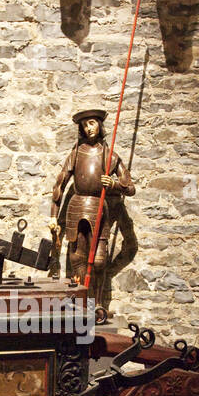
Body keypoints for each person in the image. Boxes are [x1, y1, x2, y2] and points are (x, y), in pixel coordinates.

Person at [48, 108, 137, 305]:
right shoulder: (76, 154)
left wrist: (113, 184)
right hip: (77, 206)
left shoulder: (109, 155)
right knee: (77, 258)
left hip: (99, 208)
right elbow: (60, 185)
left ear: (99, 124)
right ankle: (80, 303)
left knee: (98, 261)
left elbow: (130, 188)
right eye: (85, 125)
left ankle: (97, 305)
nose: (89, 128)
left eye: (92, 123)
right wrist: (53, 216)